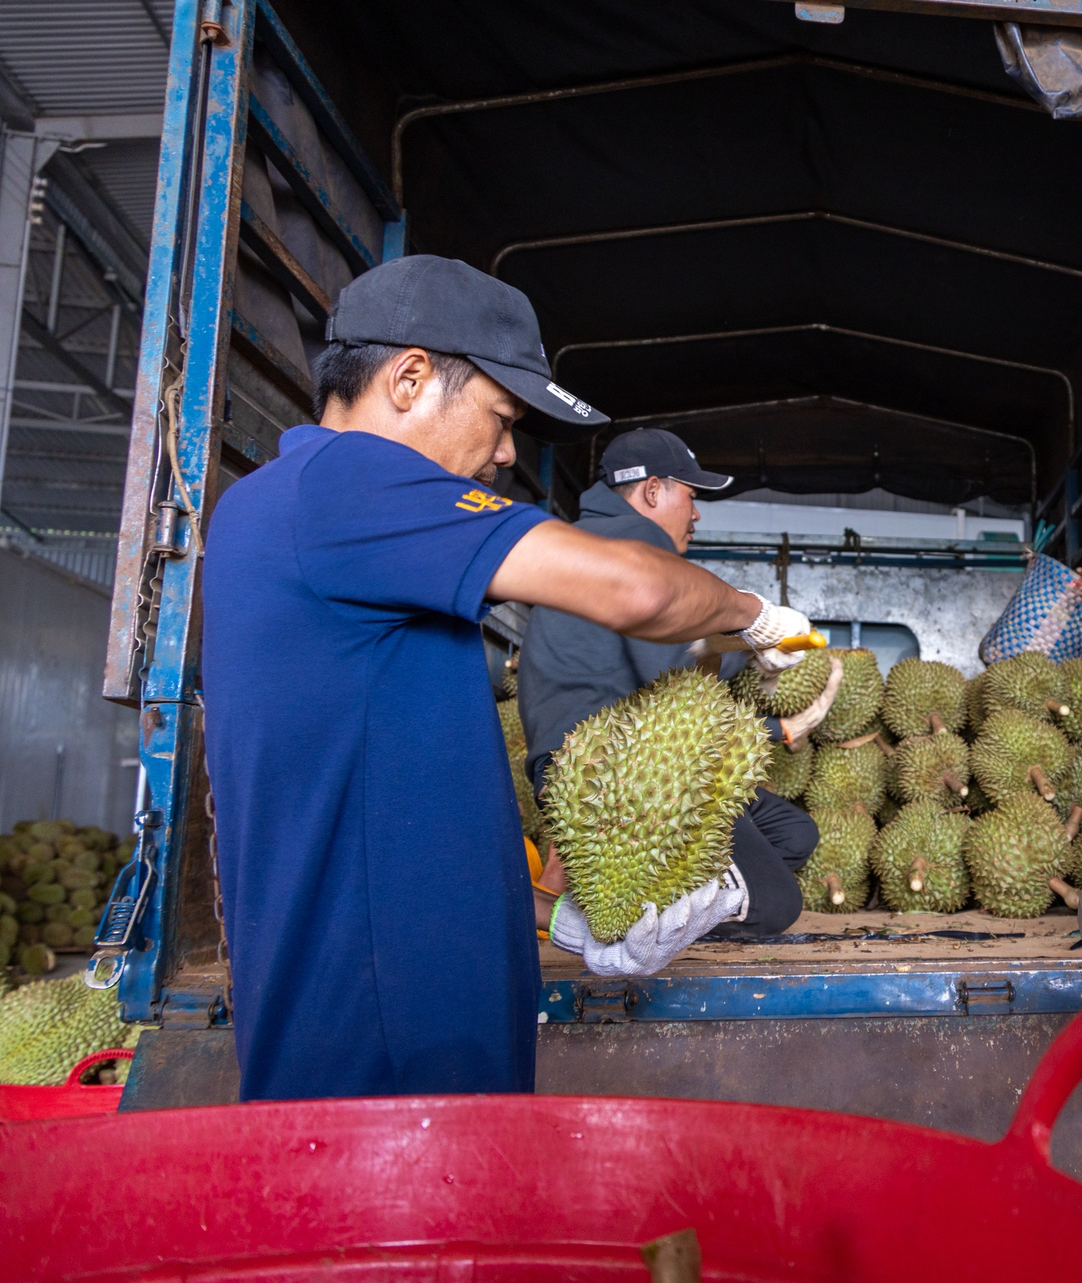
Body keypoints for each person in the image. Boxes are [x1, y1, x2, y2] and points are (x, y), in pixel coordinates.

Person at [201, 255, 814, 1101]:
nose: (502, 452)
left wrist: (553, 919)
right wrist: (754, 616)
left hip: (401, 1037)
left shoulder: (315, 520)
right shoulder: (344, 482)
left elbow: (389, 812)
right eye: (497, 416)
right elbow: (635, 588)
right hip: (383, 1071)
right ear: (409, 379)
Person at [518, 428, 838, 955]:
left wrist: (748, 646)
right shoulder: (637, 548)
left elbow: (672, 667)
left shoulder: (591, 542)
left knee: (793, 834)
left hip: (632, 761)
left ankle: (629, 898)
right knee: (773, 903)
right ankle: (592, 916)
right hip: (615, 779)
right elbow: (677, 686)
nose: (696, 514)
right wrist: (773, 716)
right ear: (652, 491)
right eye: (690, 495)